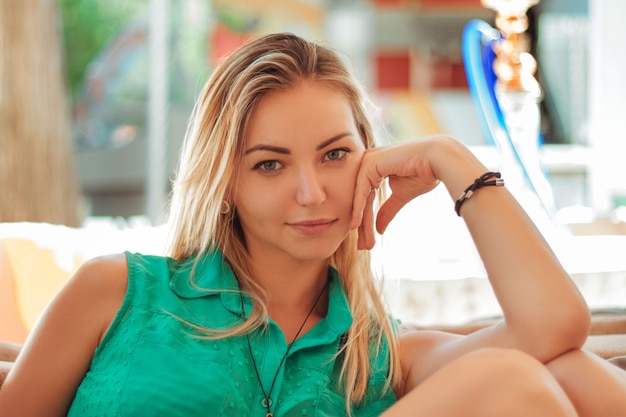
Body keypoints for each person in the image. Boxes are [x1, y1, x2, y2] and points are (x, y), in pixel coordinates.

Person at [0, 32, 625, 417]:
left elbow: (553, 328)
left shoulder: (382, 357)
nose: (310, 191)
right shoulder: (116, 294)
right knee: (509, 375)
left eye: (335, 155)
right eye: (270, 165)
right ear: (226, 186)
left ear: (370, 159)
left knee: (560, 373)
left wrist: (452, 161)